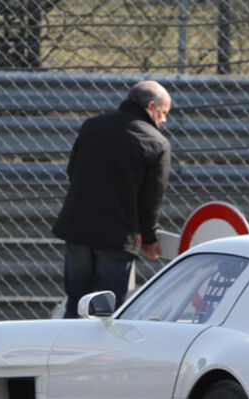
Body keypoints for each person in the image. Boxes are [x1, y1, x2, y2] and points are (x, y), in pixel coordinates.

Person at [52, 80, 172, 318]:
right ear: (151, 106)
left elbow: (73, 171)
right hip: (117, 237)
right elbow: (151, 200)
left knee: (76, 303)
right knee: (107, 312)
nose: (165, 120)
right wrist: (149, 238)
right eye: (164, 113)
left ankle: (68, 352)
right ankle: (99, 355)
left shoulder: (93, 126)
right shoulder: (157, 143)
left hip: (78, 229)